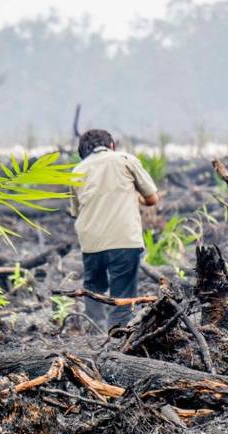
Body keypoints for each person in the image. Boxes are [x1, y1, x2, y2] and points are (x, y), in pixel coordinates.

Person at [70, 129, 159, 329]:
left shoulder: (77, 170)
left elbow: (75, 212)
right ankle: (116, 336)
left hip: (92, 242)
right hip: (124, 239)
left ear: (83, 152)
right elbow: (152, 198)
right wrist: (135, 196)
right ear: (112, 145)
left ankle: (95, 331)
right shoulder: (125, 160)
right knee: (123, 294)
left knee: (93, 288)